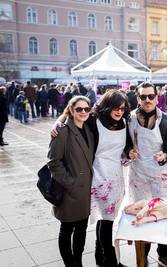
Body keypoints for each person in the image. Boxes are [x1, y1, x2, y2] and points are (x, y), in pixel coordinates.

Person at [51, 89, 134, 267]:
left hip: (116, 177)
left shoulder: (125, 123)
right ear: (107, 107)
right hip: (97, 177)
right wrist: (58, 122)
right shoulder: (94, 120)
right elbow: (72, 115)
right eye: (115, 108)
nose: (119, 111)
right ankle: (111, 261)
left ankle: (100, 258)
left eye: (122, 108)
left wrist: (129, 152)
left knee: (106, 220)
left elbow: (125, 146)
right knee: (105, 221)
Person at [127, 82, 167, 267]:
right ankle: (143, 255)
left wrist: (165, 155)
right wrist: (128, 152)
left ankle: (164, 254)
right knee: (142, 215)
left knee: (163, 213)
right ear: (137, 98)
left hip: (160, 175)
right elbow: (125, 144)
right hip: (138, 174)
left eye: (151, 96)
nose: (147, 100)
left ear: (157, 97)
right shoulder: (128, 118)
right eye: (143, 97)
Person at [47, 96, 94, 267]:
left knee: (81, 230)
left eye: (86, 109)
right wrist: (70, 183)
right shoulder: (62, 130)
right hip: (69, 190)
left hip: (84, 191)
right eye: (79, 109)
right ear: (71, 110)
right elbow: (53, 162)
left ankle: (78, 261)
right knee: (67, 230)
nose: (83, 112)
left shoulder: (88, 129)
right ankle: (69, 263)